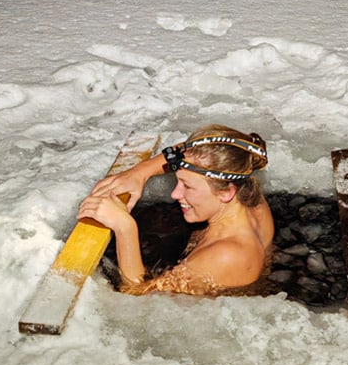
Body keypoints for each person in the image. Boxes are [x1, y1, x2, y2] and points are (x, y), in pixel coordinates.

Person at [77, 124, 274, 296]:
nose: (175, 193)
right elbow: (201, 150)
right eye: (177, 180)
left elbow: (140, 297)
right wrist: (140, 173)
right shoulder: (251, 197)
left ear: (226, 192)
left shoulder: (226, 255)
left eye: (187, 186)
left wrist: (125, 227)